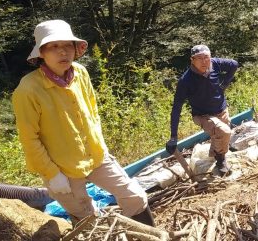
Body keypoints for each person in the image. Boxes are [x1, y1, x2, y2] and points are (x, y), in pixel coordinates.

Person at [12, 20, 154, 227]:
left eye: (67, 45)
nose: (63, 52)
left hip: (95, 155)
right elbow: (29, 138)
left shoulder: (80, 73)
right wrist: (53, 175)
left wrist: (101, 144)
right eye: (53, 46)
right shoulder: (28, 90)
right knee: (85, 215)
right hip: (62, 168)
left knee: (134, 196)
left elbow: (92, 110)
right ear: (41, 52)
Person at [166, 45, 238, 177]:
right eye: (199, 58)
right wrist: (173, 137)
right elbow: (176, 108)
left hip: (221, 110)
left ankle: (217, 154)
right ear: (192, 59)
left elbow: (234, 64)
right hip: (203, 115)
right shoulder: (186, 81)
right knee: (224, 132)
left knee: (220, 136)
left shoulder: (215, 64)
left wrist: (225, 83)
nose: (204, 61)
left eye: (207, 57)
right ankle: (221, 162)